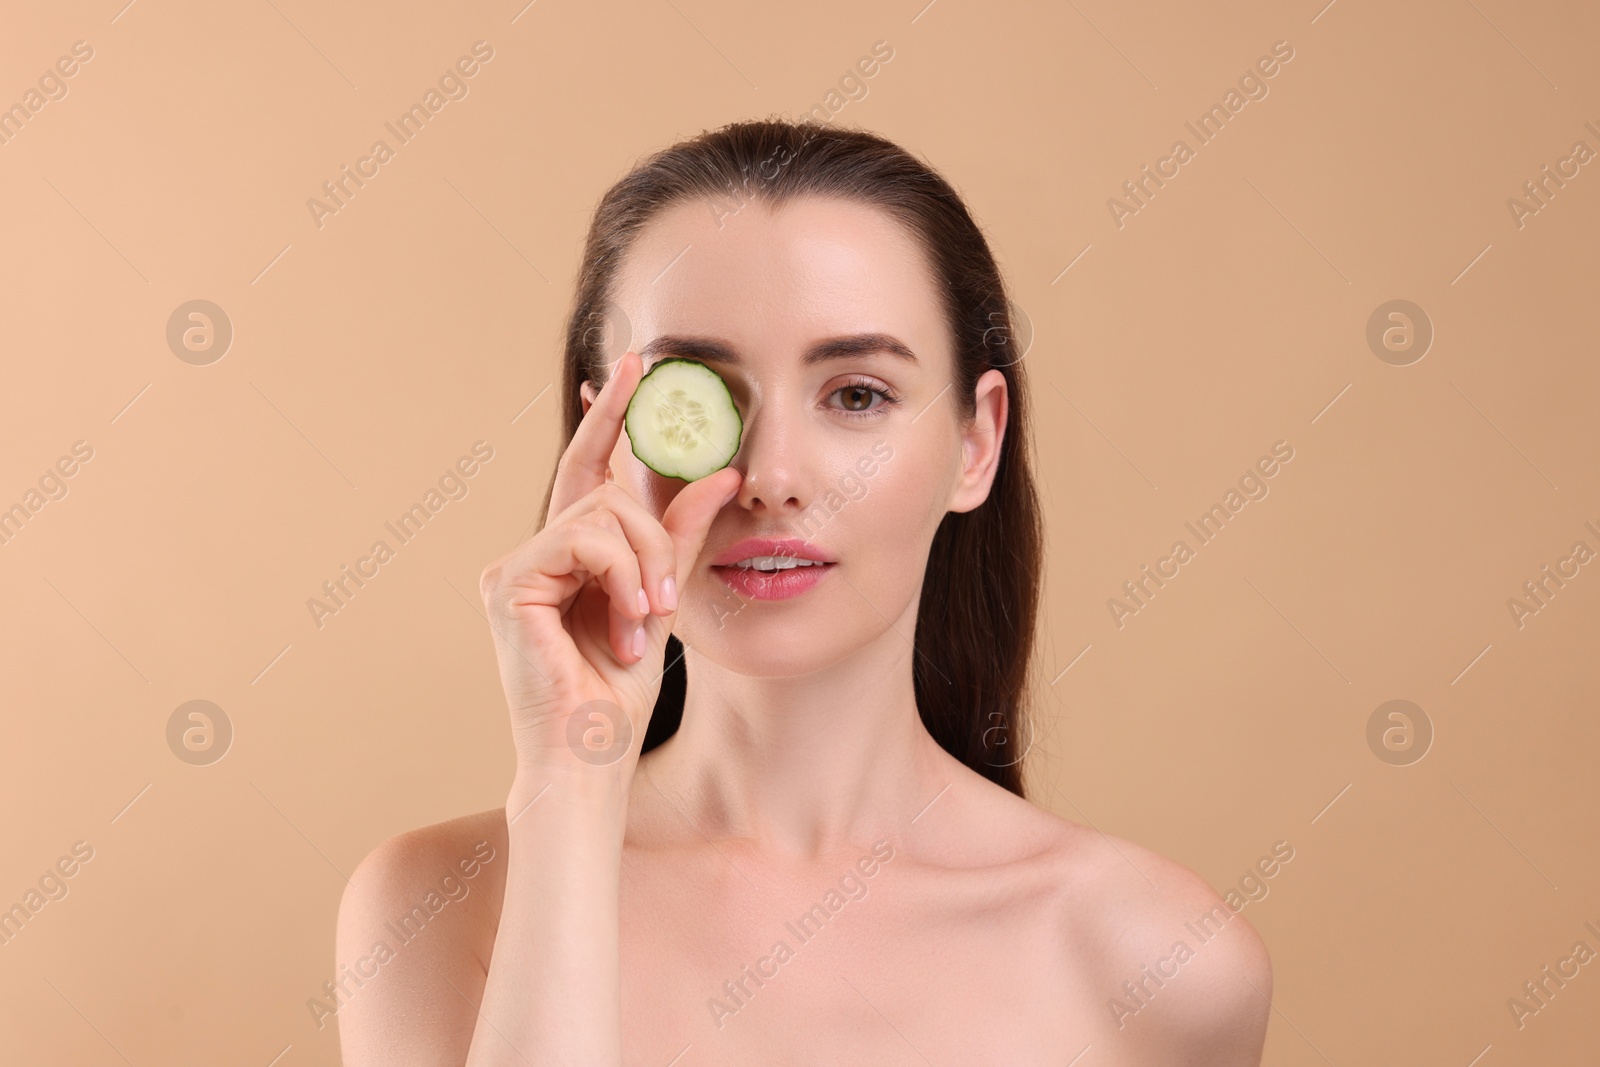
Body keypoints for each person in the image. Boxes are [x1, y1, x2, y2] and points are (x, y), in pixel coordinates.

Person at [335, 118, 1271, 1065]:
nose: (769, 474)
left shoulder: (1160, 960)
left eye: (856, 394)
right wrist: (572, 777)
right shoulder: (434, 910)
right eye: (698, 390)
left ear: (976, 442)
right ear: (609, 438)